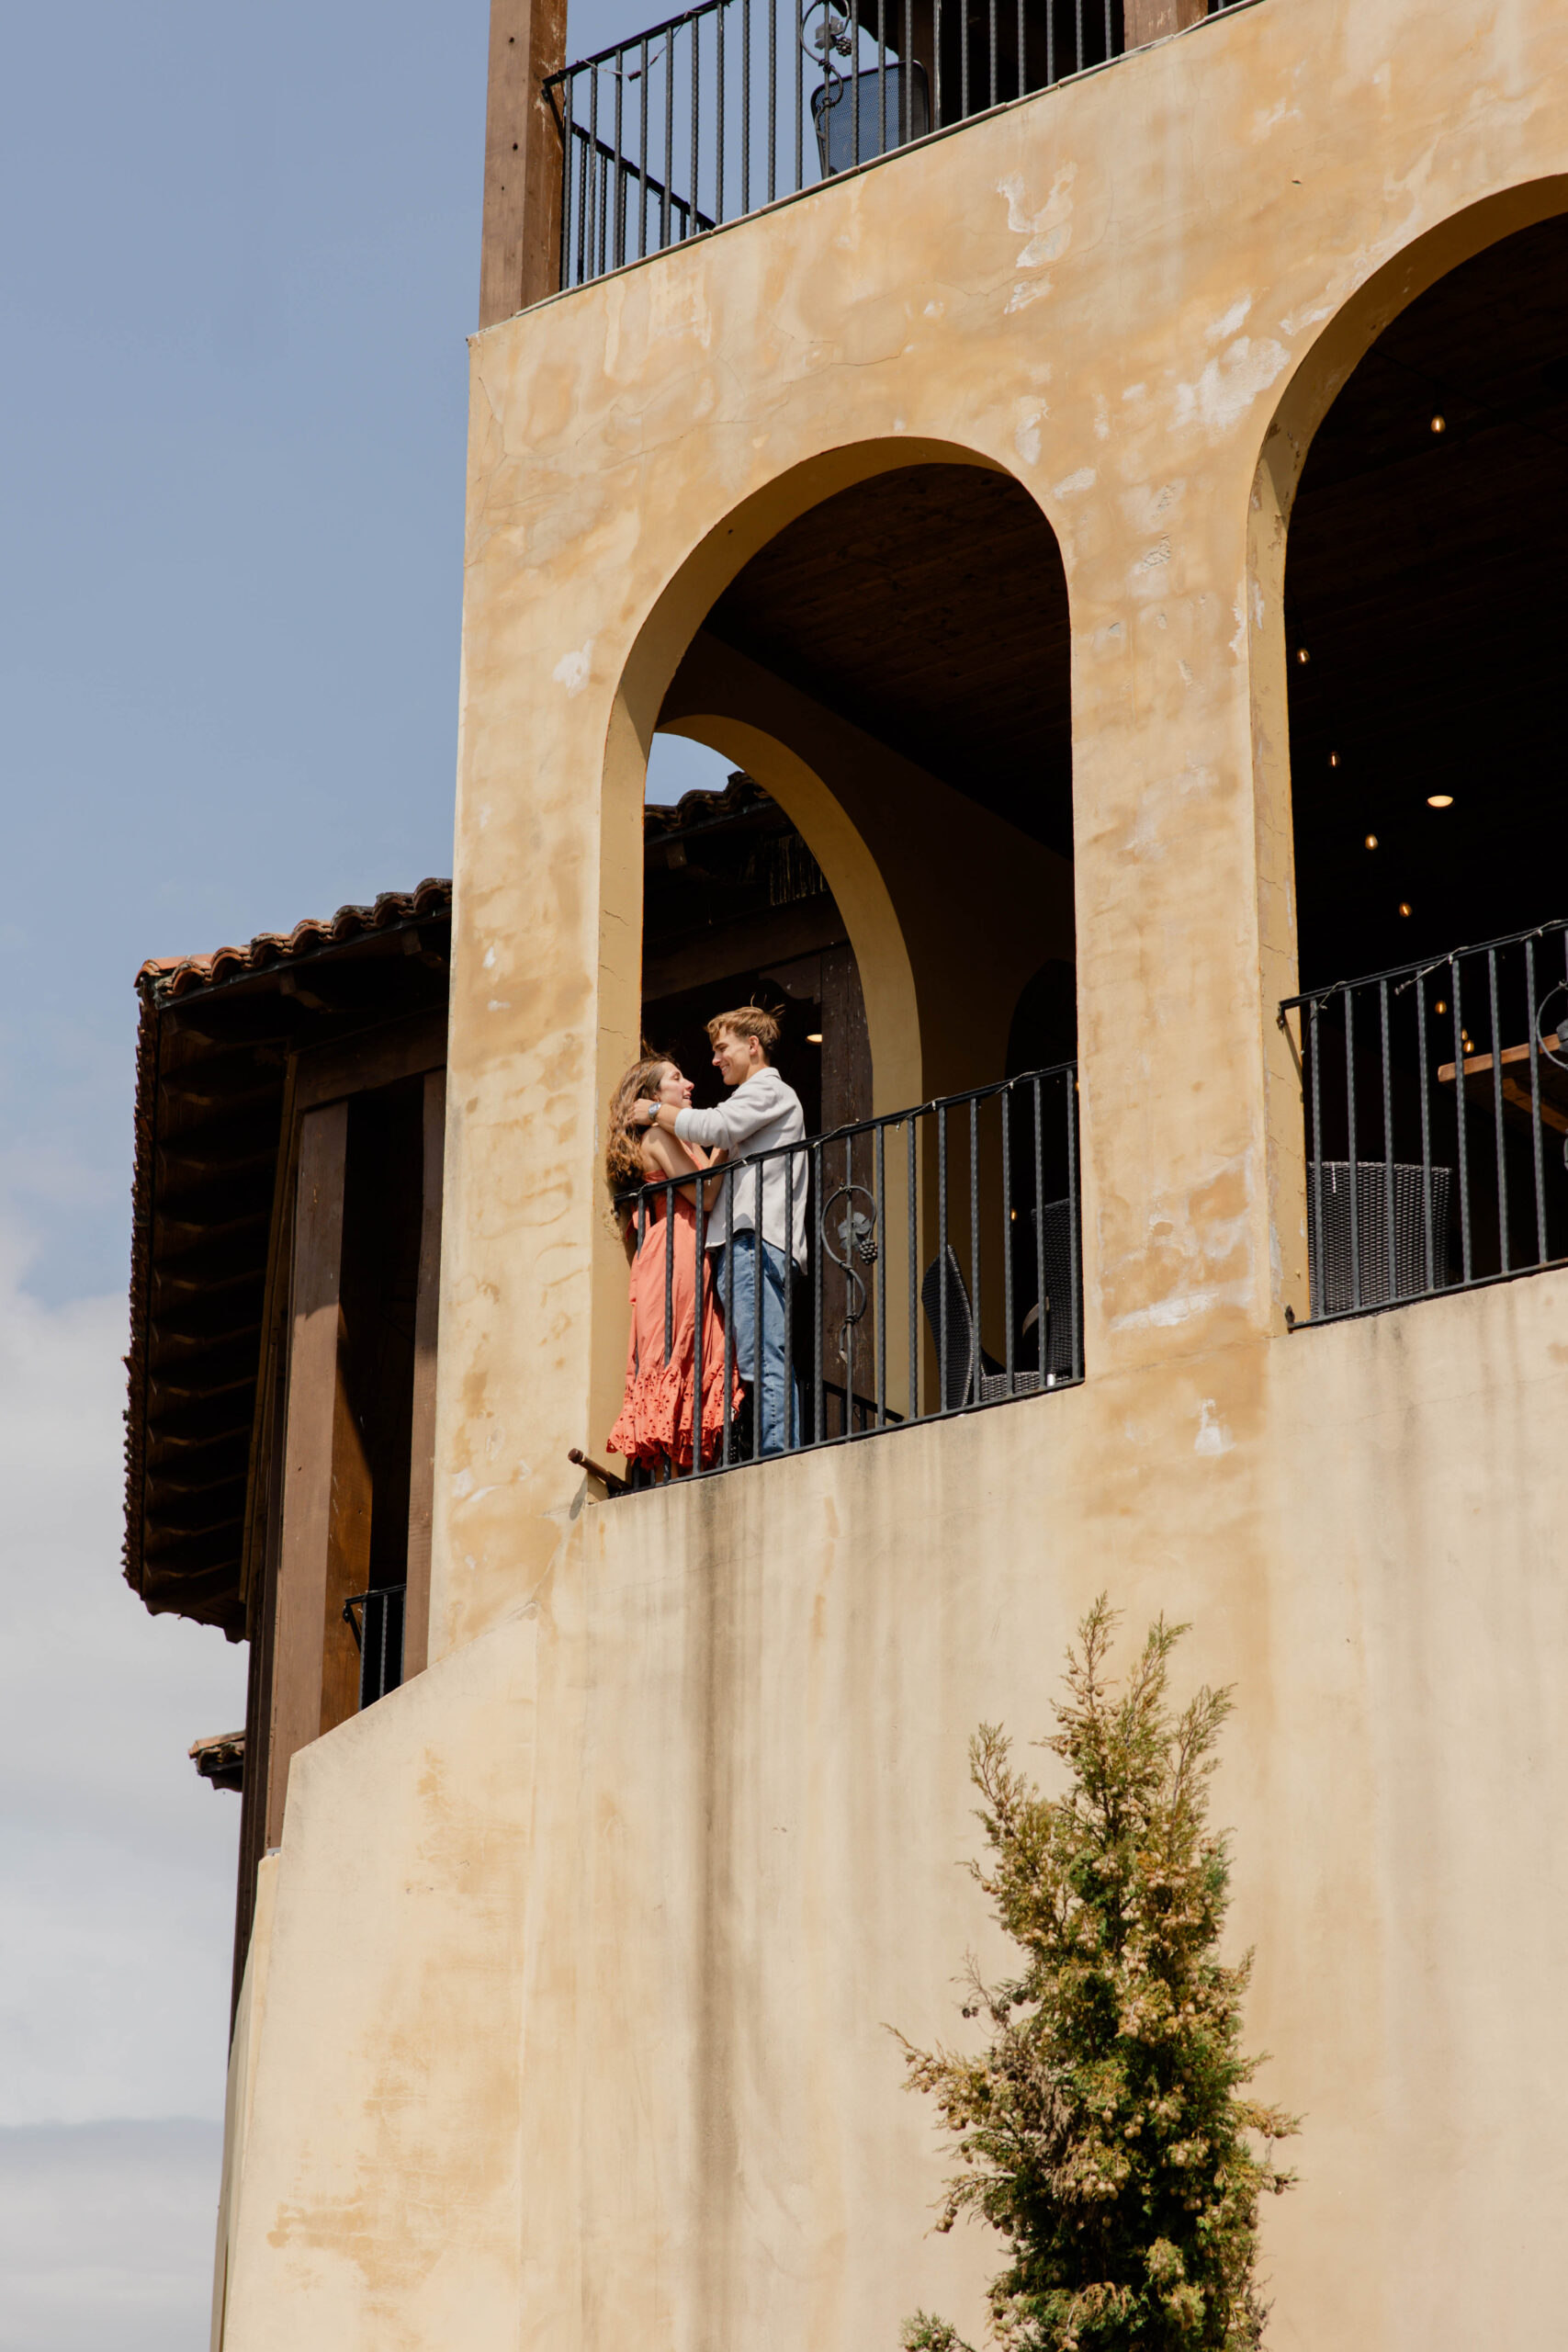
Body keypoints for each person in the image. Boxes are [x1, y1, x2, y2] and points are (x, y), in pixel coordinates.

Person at [631, 1005, 806, 1456]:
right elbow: (716, 1161)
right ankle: (774, 1448)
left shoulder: (767, 1090)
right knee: (757, 1355)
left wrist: (654, 1110)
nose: (714, 1060)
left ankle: (777, 1454)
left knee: (761, 1357)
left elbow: (717, 1127)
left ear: (753, 1046)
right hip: (745, 1244)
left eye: (722, 1048)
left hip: (753, 1242)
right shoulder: (752, 1100)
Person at [604, 1054, 741, 1476]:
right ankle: (669, 1467)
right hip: (675, 1250)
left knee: (695, 1346)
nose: (689, 1084)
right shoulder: (658, 1137)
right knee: (675, 1345)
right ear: (652, 1095)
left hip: (690, 1247)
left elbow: (705, 1184)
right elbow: (707, 1195)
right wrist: (727, 1140)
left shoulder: (679, 1138)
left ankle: (685, 1464)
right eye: (676, 1078)